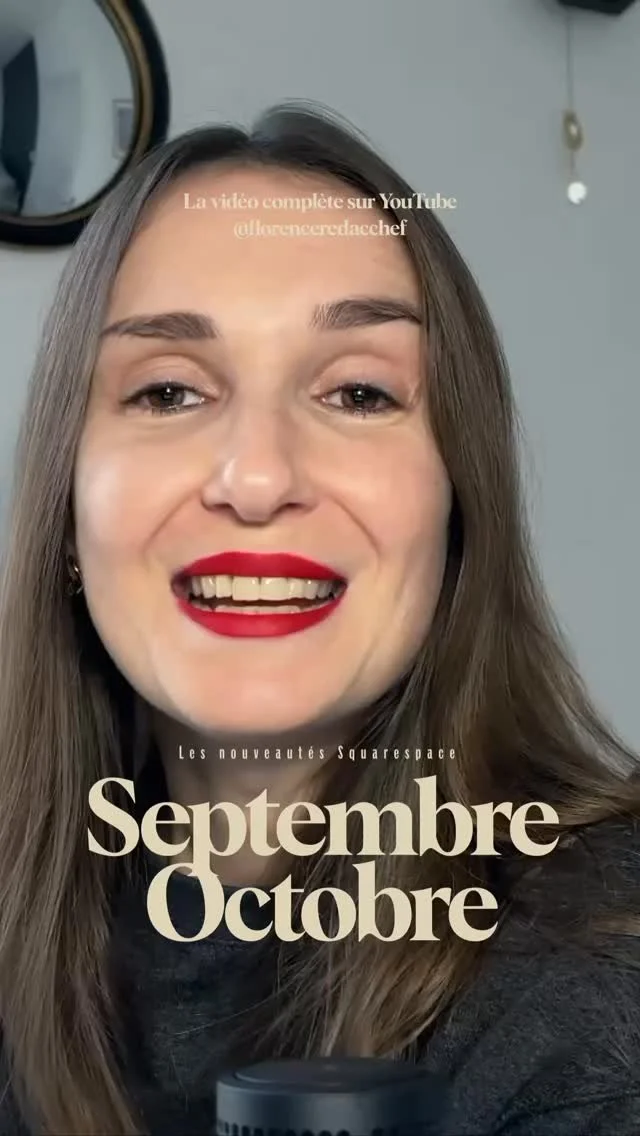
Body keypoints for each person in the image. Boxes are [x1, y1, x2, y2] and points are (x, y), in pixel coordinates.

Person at [0, 102, 638, 1136]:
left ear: (455, 508)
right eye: (167, 392)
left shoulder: (606, 984)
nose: (258, 479)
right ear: (68, 514)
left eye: (357, 393)